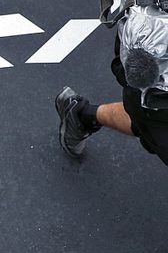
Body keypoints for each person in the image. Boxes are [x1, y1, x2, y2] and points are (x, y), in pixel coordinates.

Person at [56, 31, 168, 164]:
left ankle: (83, 115)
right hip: (152, 72)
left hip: (151, 69)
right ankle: (82, 114)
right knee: (149, 118)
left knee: (147, 119)